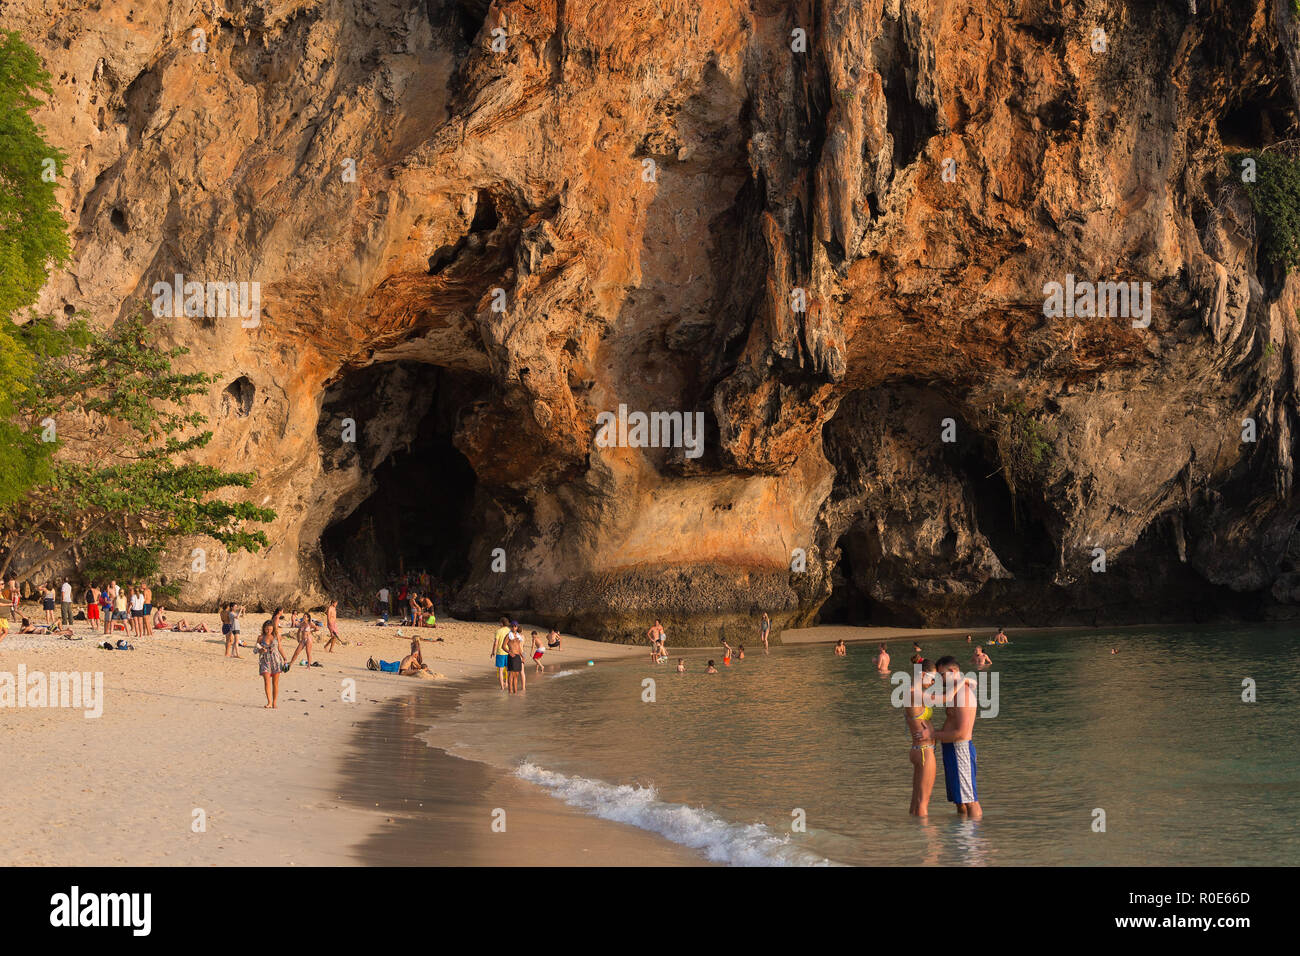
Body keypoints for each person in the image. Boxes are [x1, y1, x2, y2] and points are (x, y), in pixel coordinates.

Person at [931, 656, 982, 819]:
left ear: (953, 671)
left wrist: (932, 734)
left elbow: (961, 733)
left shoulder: (963, 694)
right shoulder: (957, 691)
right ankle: (960, 838)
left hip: (960, 749)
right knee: (959, 801)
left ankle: (973, 841)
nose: (940, 679)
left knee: (970, 800)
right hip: (952, 749)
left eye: (942, 675)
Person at [905, 659, 938, 816]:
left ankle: (915, 836)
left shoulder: (914, 693)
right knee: (923, 804)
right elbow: (947, 698)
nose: (933, 682)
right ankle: (928, 838)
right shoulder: (912, 694)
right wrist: (963, 683)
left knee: (916, 804)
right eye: (932, 678)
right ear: (923, 674)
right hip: (925, 751)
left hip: (921, 750)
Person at [257, 610, 288, 708]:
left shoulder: (276, 636)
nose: (268, 630)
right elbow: (256, 650)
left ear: (272, 628)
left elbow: (280, 648)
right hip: (265, 661)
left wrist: (285, 659)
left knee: (275, 683)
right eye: (267, 629)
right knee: (267, 681)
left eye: (270, 629)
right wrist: (261, 650)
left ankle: (274, 702)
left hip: (276, 660)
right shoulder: (260, 637)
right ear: (264, 628)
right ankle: (269, 702)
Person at [490, 616, 511, 690]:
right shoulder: (509, 630)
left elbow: (496, 643)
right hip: (508, 652)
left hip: (500, 653)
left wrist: (493, 652)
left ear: (502, 623)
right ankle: (507, 683)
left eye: (500, 623)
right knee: (508, 670)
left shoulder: (498, 631)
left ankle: (502, 687)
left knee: (501, 671)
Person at [506, 625, 525, 694]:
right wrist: (509, 652)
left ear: (517, 628)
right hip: (512, 656)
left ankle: (515, 692)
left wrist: (522, 656)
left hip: (517, 656)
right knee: (511, 674)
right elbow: (503, 646)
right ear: (511, 627)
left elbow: (519, 647)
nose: (514, 628)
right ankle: (510, 691)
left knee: (516, 675)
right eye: (513, 626)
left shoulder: (518, 637)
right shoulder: (508, 636)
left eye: (515, 626)